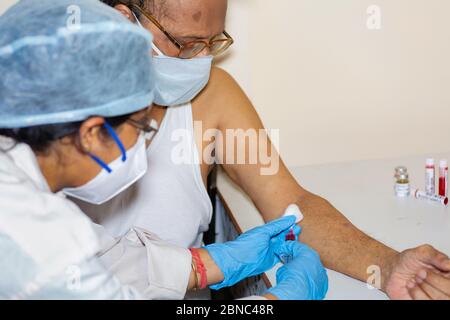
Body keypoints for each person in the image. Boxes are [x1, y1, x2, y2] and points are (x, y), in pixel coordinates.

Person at [77, 0, 450, 300]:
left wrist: (385, 266)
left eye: (213, 42)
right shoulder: (52, 120)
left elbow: (290, 202)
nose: (201, 61)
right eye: (188, 44)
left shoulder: (211, 95)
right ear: (126, 19)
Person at [0, 0, 328, 300]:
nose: (146, 142)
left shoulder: (18, 187)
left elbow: (109, 259)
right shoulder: (35, 243)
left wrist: (213, 263)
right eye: (142, 126)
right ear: (91, 134)